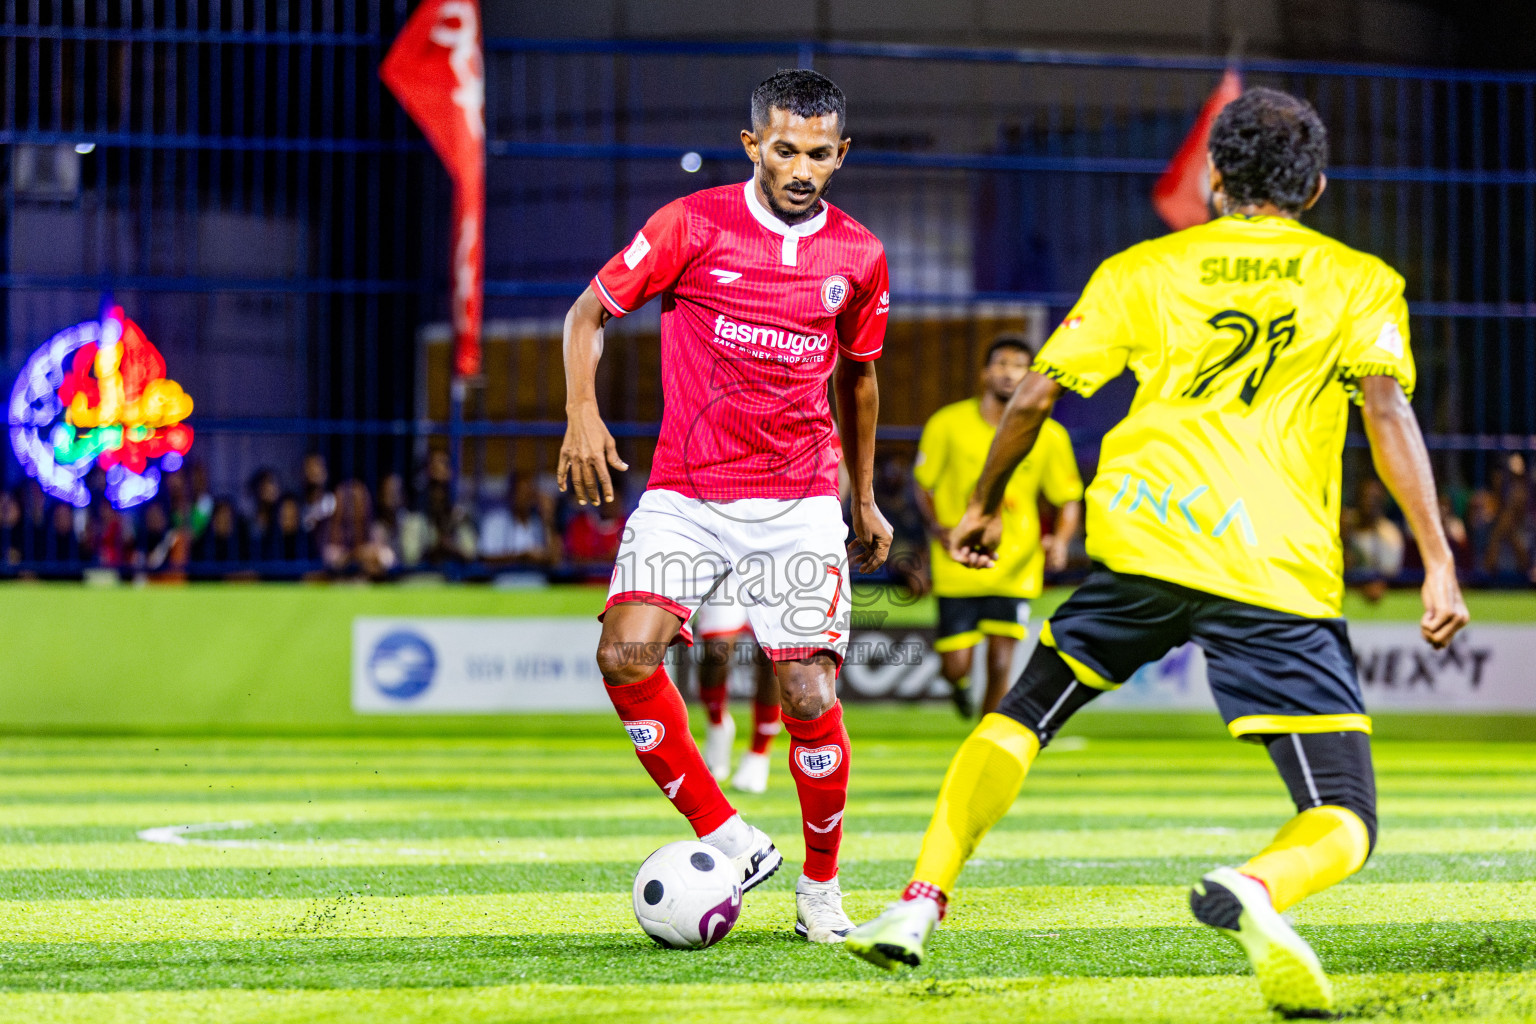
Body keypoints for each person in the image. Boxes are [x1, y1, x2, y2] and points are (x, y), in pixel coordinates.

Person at [845, 88, 1470, 1017]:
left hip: (1142, 538)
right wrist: (1437, 557)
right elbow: (1387, 414)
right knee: (1346, 814)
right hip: (1271, 564)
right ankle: (1261, 887)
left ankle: (916, 903)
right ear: (1319, 187)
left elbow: (1035, 398)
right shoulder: (1360, 281)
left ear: (1214, 177)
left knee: (1020, 716)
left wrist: (981, 504)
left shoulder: (1144, 267)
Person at [557, 69, 891, 943]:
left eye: (820, 153)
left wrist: (864, 494)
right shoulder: (691, 225)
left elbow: (860, 377)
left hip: (800, 496)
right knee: (626, 655)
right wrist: (582, 415)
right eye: (785, 149)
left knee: (809, 688)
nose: (802, 168)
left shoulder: (858, 254)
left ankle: (821, 893)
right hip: (688, 489)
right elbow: (587, 314)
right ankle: (728, 834)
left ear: (841, 154)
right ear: (753, 145)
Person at [913, 334, 1083, 716]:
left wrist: (1060, 538)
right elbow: (922, 483)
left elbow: (1068, 497)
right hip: (958, 560)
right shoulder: (948, 423)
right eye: (1002, 364)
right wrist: (938, 530)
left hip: (1016, 565)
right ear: (985, 373)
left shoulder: (1049, 435)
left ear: (1030, 376)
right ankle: (959, 685)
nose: (1009, 373)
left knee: (1002, 663)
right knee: (955, 664)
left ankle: (984, 738)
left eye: (1019, 366)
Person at [692, 591, 782, 794]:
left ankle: (759, 752)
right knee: (716, 651)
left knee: (772, 659)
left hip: (774, 569)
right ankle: (717, 725)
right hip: (728, 568)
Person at [479, 474, 553, 568]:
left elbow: (554, 559)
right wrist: (522, 557)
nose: (526, 498)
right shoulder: (495, 521)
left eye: (529, 493)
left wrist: (548, 519)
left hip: (537, 580)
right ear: (511, 494)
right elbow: (485, 557)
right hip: (505, 580)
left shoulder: (538, 523)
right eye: (521, 492)